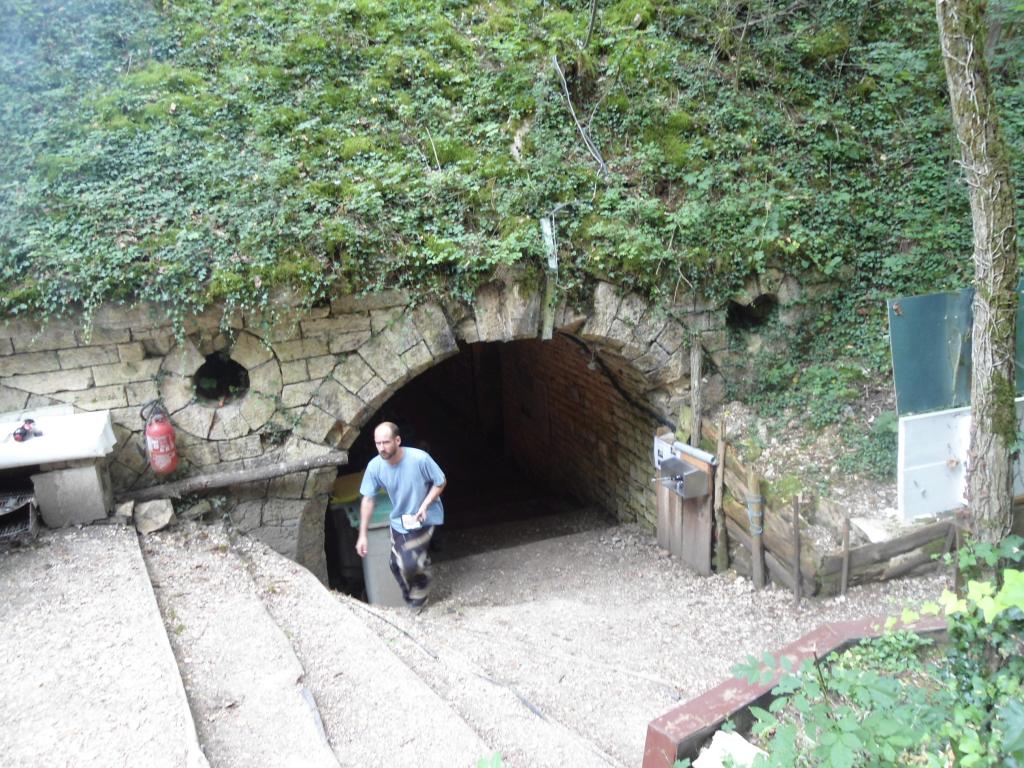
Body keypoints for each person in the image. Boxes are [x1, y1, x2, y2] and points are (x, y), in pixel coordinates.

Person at [356, 421, 446, 612]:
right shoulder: (375, 467)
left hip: (425, 517)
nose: (382, 448)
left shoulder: (420, 459)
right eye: (377, 443)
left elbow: (440, 481)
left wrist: (425, 504)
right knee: (397, 566)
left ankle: (419, 597)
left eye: (386, 442)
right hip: (399, 520)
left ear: (398, 440)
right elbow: (368, 500)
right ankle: (412, 593)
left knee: (410, 563)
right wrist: (362, 534)